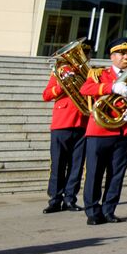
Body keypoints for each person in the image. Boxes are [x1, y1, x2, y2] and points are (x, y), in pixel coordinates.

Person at [79, 38, 127, 224]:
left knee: (116, 174)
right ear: (112, 56)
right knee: (94, 173)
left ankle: (109, 210)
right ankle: (92, 211)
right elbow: (85, 89)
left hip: (125, 131)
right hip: (100, 131)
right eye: (122, 53)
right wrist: (112, 87)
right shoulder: (99, 74)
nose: (126, 57)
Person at [41, 41, 88, 213]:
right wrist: (62, 86)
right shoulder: (60, 72)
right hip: (62, 123)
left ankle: (70, 199)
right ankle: (55, 199)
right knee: (58, 164)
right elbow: (46, 95)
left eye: (85, 53)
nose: (84, 57)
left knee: (76, 165)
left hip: (82, 123)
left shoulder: (88, 73)